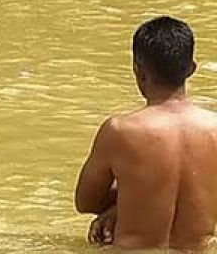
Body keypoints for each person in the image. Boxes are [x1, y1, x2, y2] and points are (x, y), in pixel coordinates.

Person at [75, 16, 217, 250]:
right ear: (191, 69)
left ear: (137, 71)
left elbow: (86, 201)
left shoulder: (120, 131)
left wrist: (130, 200)